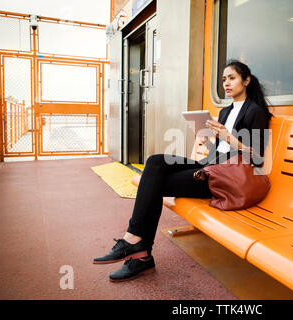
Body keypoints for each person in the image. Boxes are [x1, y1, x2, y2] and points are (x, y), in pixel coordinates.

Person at [93, 60, 272, 282]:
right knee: (155, 162)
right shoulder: (225, 111)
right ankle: (136, 246)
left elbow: (258, 158)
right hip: (213, 164)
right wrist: (206, 137)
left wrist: (228, 137)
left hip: (227, 178)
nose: (226, 83)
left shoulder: (256, 112)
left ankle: (138, 251)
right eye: (224, 79)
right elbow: (219, 150)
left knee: (153, 184)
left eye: (232, 78)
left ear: (247, 81)